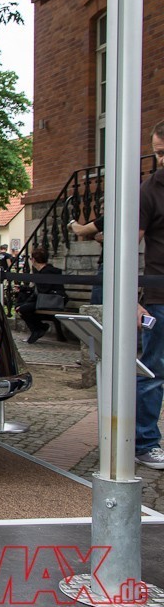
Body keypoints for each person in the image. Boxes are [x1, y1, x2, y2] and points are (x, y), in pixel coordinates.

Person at [134, 120, 164, 470]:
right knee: (154, 370)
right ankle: (145, 442)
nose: (161, 159)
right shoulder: (149, 190)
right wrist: (133, 299)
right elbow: (130, 243)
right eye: (158, 153)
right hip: (159, 294)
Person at [16, 246, 67, 344]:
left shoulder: (46, 272)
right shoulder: (44, 271)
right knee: (21, 307)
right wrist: (23, 288)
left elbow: (43, 290)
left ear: (34, 260)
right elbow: (39, 290)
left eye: (31, 258)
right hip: (47, 299)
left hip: (51, 301)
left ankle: (38, 329)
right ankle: (39, 328)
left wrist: (26, 303)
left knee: (22, 309)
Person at [69, 217, 105, 306]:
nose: (101, 212)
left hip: (108, 264)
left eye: (103, 210)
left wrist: (72, 223)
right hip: (122, 264)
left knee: (97, 303)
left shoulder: (110, 219)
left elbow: (80, 231)